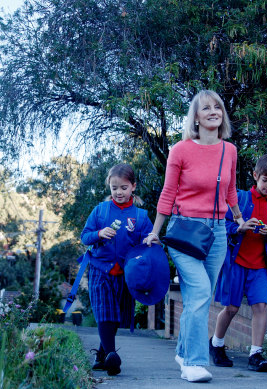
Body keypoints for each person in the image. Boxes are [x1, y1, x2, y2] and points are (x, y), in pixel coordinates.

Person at [144, 90, 244, 382]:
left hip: (217, 233)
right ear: (196, 117)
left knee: (199, 297)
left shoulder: (230, 151)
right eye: (206, 108)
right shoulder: (181, 150)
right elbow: (168, 193)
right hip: (185, 229)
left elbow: (230, 191)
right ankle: (194, 362)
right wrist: (154, 232)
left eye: (218, 107)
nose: (213, 111)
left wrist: (239, 219)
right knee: (199, 293)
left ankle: (182, 350)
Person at [210, 153, 267, 372]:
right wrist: (239, 228)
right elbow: (221, 226)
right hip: (236, 263)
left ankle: (256, 354)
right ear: (255, 176)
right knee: (232, 308)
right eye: (265, 180)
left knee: (260, 307)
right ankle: (216, 344)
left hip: (261, 266)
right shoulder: (240, 199)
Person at [80, 163, 153, 376]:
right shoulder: (100, 211)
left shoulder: (140, 216)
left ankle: (102, 354)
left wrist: (151, 240)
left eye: (123, 187)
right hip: (100, 270)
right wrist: (99, 233)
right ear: (109, 188)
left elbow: (147, 242)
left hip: (125, 274)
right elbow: (85, 236)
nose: (118, 192)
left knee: (116, 317)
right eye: (114, 188)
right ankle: (112, 357)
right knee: (105, 313)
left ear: (133, 187)